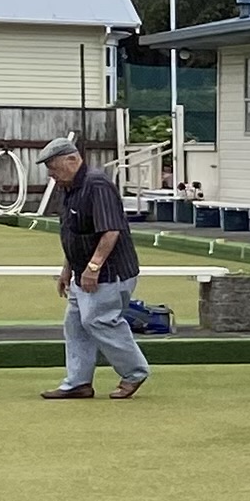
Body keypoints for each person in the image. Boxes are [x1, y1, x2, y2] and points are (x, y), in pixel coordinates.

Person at [40, 136, 149, 401]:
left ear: (72, 160)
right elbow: (74, 233)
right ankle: (78, 383)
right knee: (75, 324)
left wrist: (93, 267)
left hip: (110, 271)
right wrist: (68, 269)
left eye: (54, 168)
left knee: (99, 319)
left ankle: (134, 372)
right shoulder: (67, 188)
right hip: (82, 270)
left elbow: (111, 230)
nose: (51, 175)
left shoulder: (97, 184)